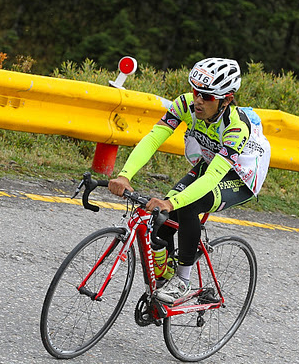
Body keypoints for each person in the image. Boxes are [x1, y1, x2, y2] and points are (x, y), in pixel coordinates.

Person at [109, 57, 271, 304]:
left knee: (186, 206)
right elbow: (154, 139)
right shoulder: (184, 104)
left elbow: (214, 176)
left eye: (207, 97)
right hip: (212, 163)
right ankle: (166, 271)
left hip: (240, 175)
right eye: (196, 91)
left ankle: (183, 281)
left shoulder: (236, 126)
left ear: (226, 100)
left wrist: (173, 203)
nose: (198, 100)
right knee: (163, 215)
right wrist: (125, 174)